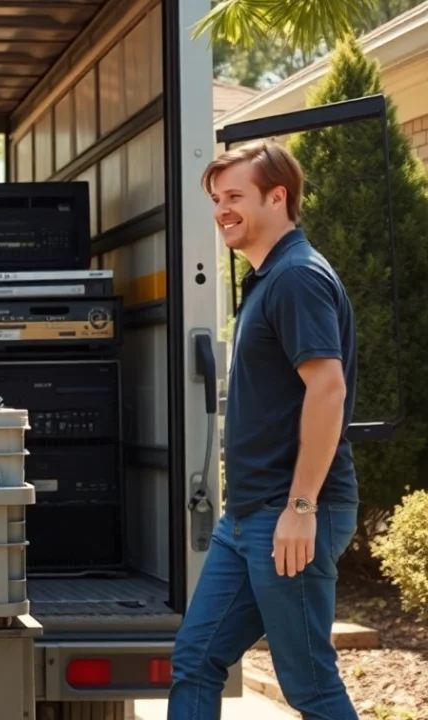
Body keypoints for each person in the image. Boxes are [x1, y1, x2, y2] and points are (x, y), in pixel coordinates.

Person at [168, 140, 359, 719]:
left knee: (309, 685)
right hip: (251, 513)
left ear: (278, 197)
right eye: (217, 199)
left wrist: (301, 506)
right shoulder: (269, 278)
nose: (222, 209)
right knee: (196, 657)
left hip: (291, 511)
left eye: (235, 197)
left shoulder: (297, 278)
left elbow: (328, 390)